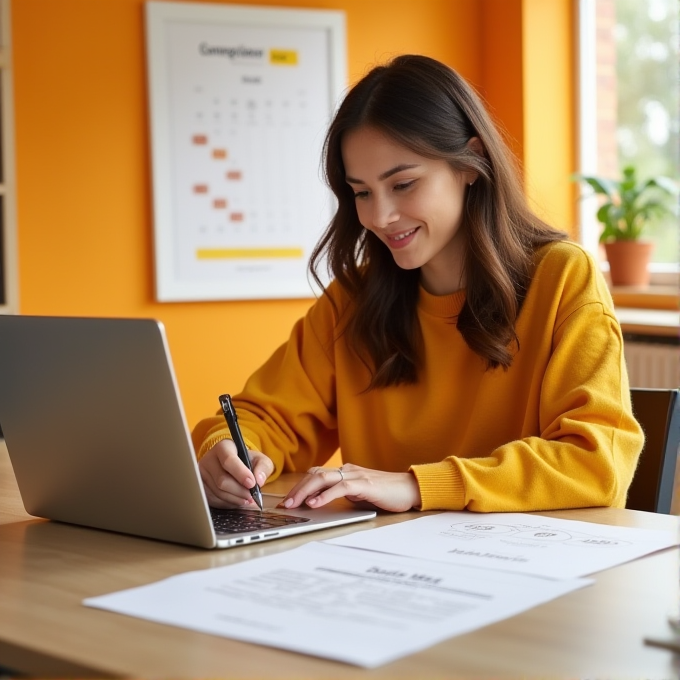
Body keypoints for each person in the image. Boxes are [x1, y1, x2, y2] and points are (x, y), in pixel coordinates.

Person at [192, 54, 643, 514]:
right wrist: (226, 451)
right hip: (381, 569)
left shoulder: (563, 278)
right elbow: (264, 416)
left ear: (471, 162)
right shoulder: (353, 300)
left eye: (403, 184)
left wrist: (417, 485)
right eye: (361, 192)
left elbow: (596, 462)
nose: (378, 217)